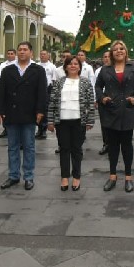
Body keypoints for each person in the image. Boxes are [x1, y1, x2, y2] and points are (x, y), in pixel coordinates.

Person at [0, 41, 47, 191]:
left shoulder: (37, 70)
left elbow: (42, 92)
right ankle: (13, 175)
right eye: (20, 50)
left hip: (29, 113)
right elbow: (1, 92)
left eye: (25, 50)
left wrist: (40, 111)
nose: (22, 52)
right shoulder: (8, 70)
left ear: (31, 52)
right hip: (11, 113)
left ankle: (29, 176)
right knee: (12, 147)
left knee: (29, 146)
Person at [95, 40, 134, 193]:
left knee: (127, 146)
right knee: (112, 146)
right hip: (110, 111)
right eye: (115, 49)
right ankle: (112, 176)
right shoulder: (105, 69)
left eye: (121, 48)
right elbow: (98, 86)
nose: (119, 51)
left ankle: (128, 177)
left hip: (128, 111)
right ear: (112, 52)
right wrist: (102, 98)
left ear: (125, 51)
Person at [47, 55, 95, 191]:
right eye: (70, 64)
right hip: (62, 121)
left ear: (80, 67)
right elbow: (52, 103)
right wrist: (50, 121)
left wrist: (90, 120)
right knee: (64, 149)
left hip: (79, 121)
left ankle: (76, 177)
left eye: (76, 64)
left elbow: (90, 103)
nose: (73, 66)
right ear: (66, 66)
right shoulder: (59, 82)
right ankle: (64, 177)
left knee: (76, 149)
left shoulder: (85, 82)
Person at [94, 50, 111, 156]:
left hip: (114, 100)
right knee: (104, 124)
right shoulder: (98, 71)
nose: (106, 58)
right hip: (102, 100)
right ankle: (106, 144)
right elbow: (96, 86)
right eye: (104, 56)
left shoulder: (117, 69)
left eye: (108, 56)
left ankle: (115, 145)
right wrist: (97, 99)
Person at [36, 49, 56, 140]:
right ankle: (39, 129)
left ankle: (43, 130)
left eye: (44, 54)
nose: (42, 56)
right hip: (37, 89)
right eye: (41, 54)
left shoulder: (52, 66)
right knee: (38, 109)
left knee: (45, 109)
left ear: (48, 56)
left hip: (47, 89)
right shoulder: (36, 65)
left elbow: (54, 80)